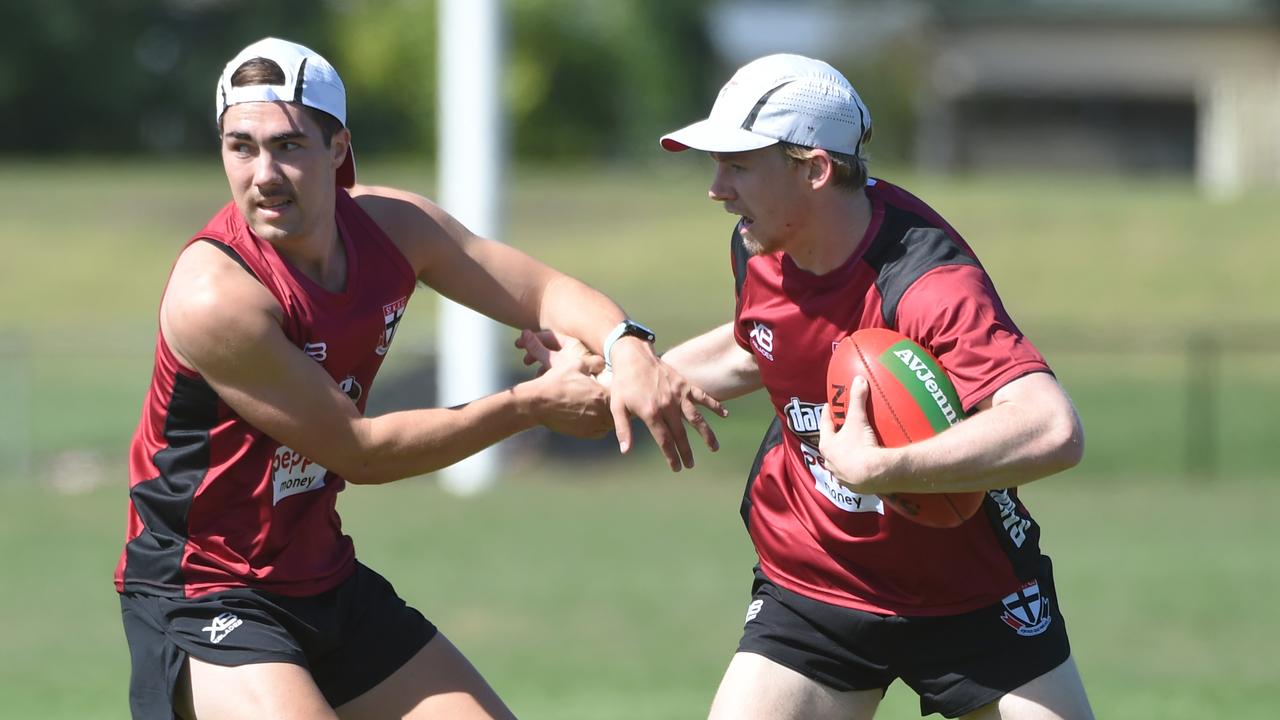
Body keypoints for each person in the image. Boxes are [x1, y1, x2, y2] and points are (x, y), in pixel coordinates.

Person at [114, 37, 723, 720]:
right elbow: (361, 450)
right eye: (240, 147)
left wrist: (627, 347)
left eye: (288, 145)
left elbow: (543, 291)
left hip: (322, 576)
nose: (263, 173)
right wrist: (530, 406)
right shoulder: (218, 296)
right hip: (207, 591)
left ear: (338, 148)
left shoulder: (393, 228)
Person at [655, 54, 1094, 719]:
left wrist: (885, 467)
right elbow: (761, 341)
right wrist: (621, 367)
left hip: (970, 596)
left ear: (815, 168)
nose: (717, 189)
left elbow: (1051, 427)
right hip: (814, 586)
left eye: (738, 165)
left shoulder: (930, 286)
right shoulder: (760, 246)